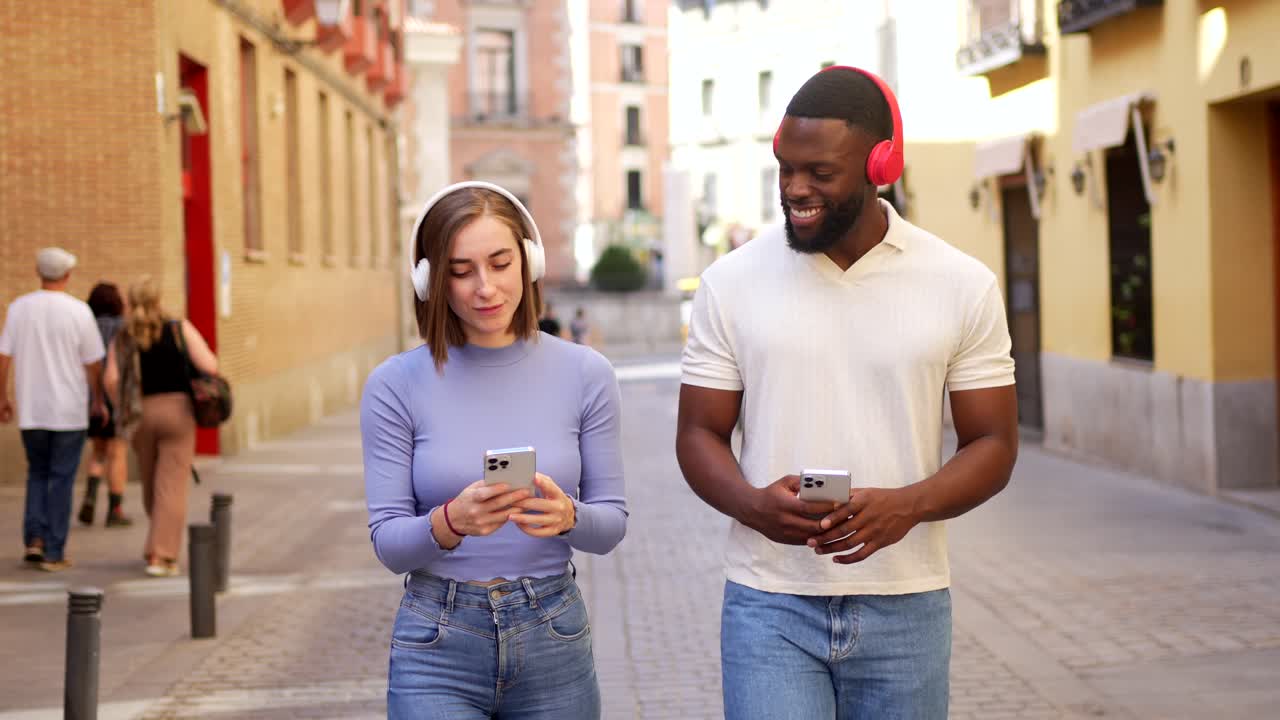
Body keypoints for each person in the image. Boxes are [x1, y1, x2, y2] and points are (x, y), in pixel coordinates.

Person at [676, 66, 1018, 720]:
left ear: (879, 166)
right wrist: (753, 506)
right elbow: (698, 432)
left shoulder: (961, 283)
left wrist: (908, 506)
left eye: (820, 174)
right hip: (767, 603)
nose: (795, 190)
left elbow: (995, 442)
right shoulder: (730, 283)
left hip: (908, 605)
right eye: (785, 169)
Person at [361, 180, 626, 719]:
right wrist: (449, 522)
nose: (485, 287)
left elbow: (612, 526)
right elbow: (389, 544)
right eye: (461, 271)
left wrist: (568, 516)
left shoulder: (586, 374)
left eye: (500, 263)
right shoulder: (394, 385)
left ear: (529, 262)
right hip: (436, 638)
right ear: (430, 281)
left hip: (552, 628)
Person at [0, 248, 106, 571]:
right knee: (61, 478)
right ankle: (55, 550)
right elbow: (93, 363)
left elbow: (4, 356)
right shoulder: (79, 312)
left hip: (33, 409)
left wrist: (3, 397)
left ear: (38, 272)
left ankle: (34, 539)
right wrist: (98, 399)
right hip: (69, 411)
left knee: (37, 473)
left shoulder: (19, 308)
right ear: (68, 275)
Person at [104, 276, 218, 577]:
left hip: (141, 412)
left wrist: (122, 405)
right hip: (178, 412)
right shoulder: (178, 327)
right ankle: (162, 555)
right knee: (172, 485)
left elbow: (111, 379)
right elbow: (210, 365)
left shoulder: (124, 335)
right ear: (158, 298)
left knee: (152, 483)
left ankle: (158, 543)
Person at [78, 282, 134, 527]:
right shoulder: (123, 329)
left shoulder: (85, 328)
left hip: (91, 398)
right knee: (118, 452)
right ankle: (115, 509)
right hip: (115, 397)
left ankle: (90, 496)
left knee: (99, 451)